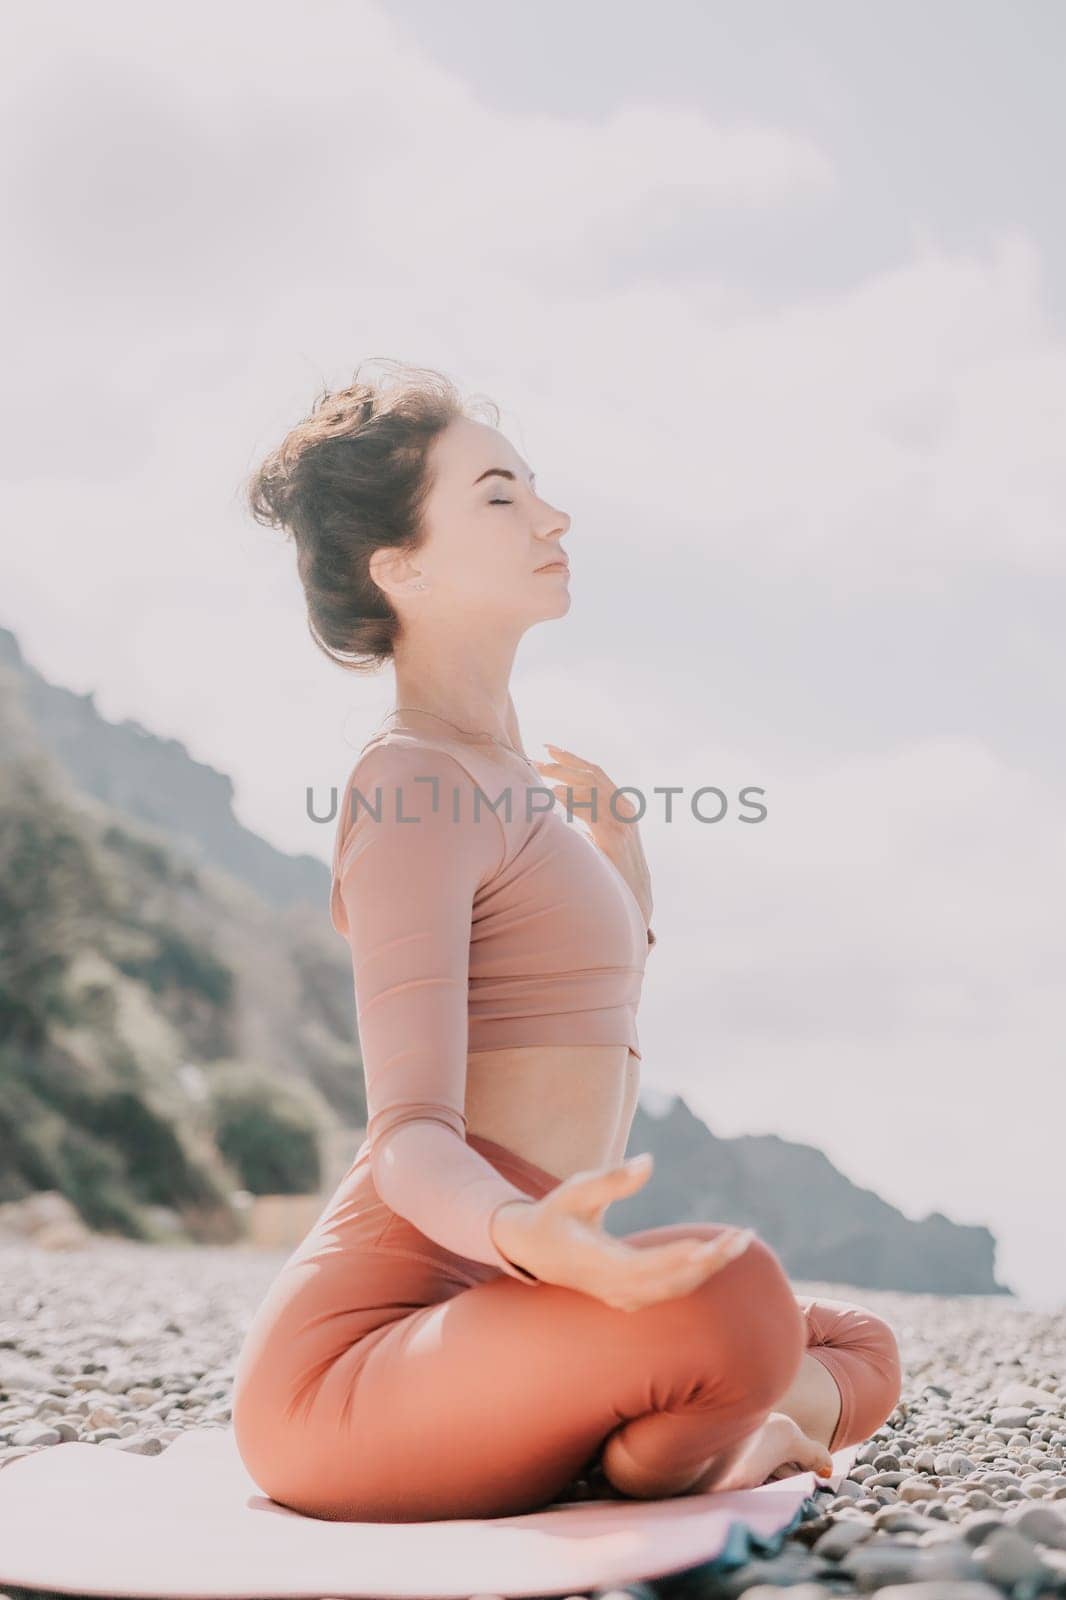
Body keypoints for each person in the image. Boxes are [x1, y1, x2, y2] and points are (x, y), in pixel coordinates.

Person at [230, 359, 902, 1523]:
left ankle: (665, 1442)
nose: (551, 515)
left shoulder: (512, 786)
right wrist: (522, 1230)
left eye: (534, 487)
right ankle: (673, 1443)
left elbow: (561, 1022)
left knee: (863, 1341)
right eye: (498, 496)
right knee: (736, 1288)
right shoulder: (407, 787)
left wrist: (625, 891)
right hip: (355, 1369)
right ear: (404, 568)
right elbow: (408, 1137)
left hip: (505, 1311)